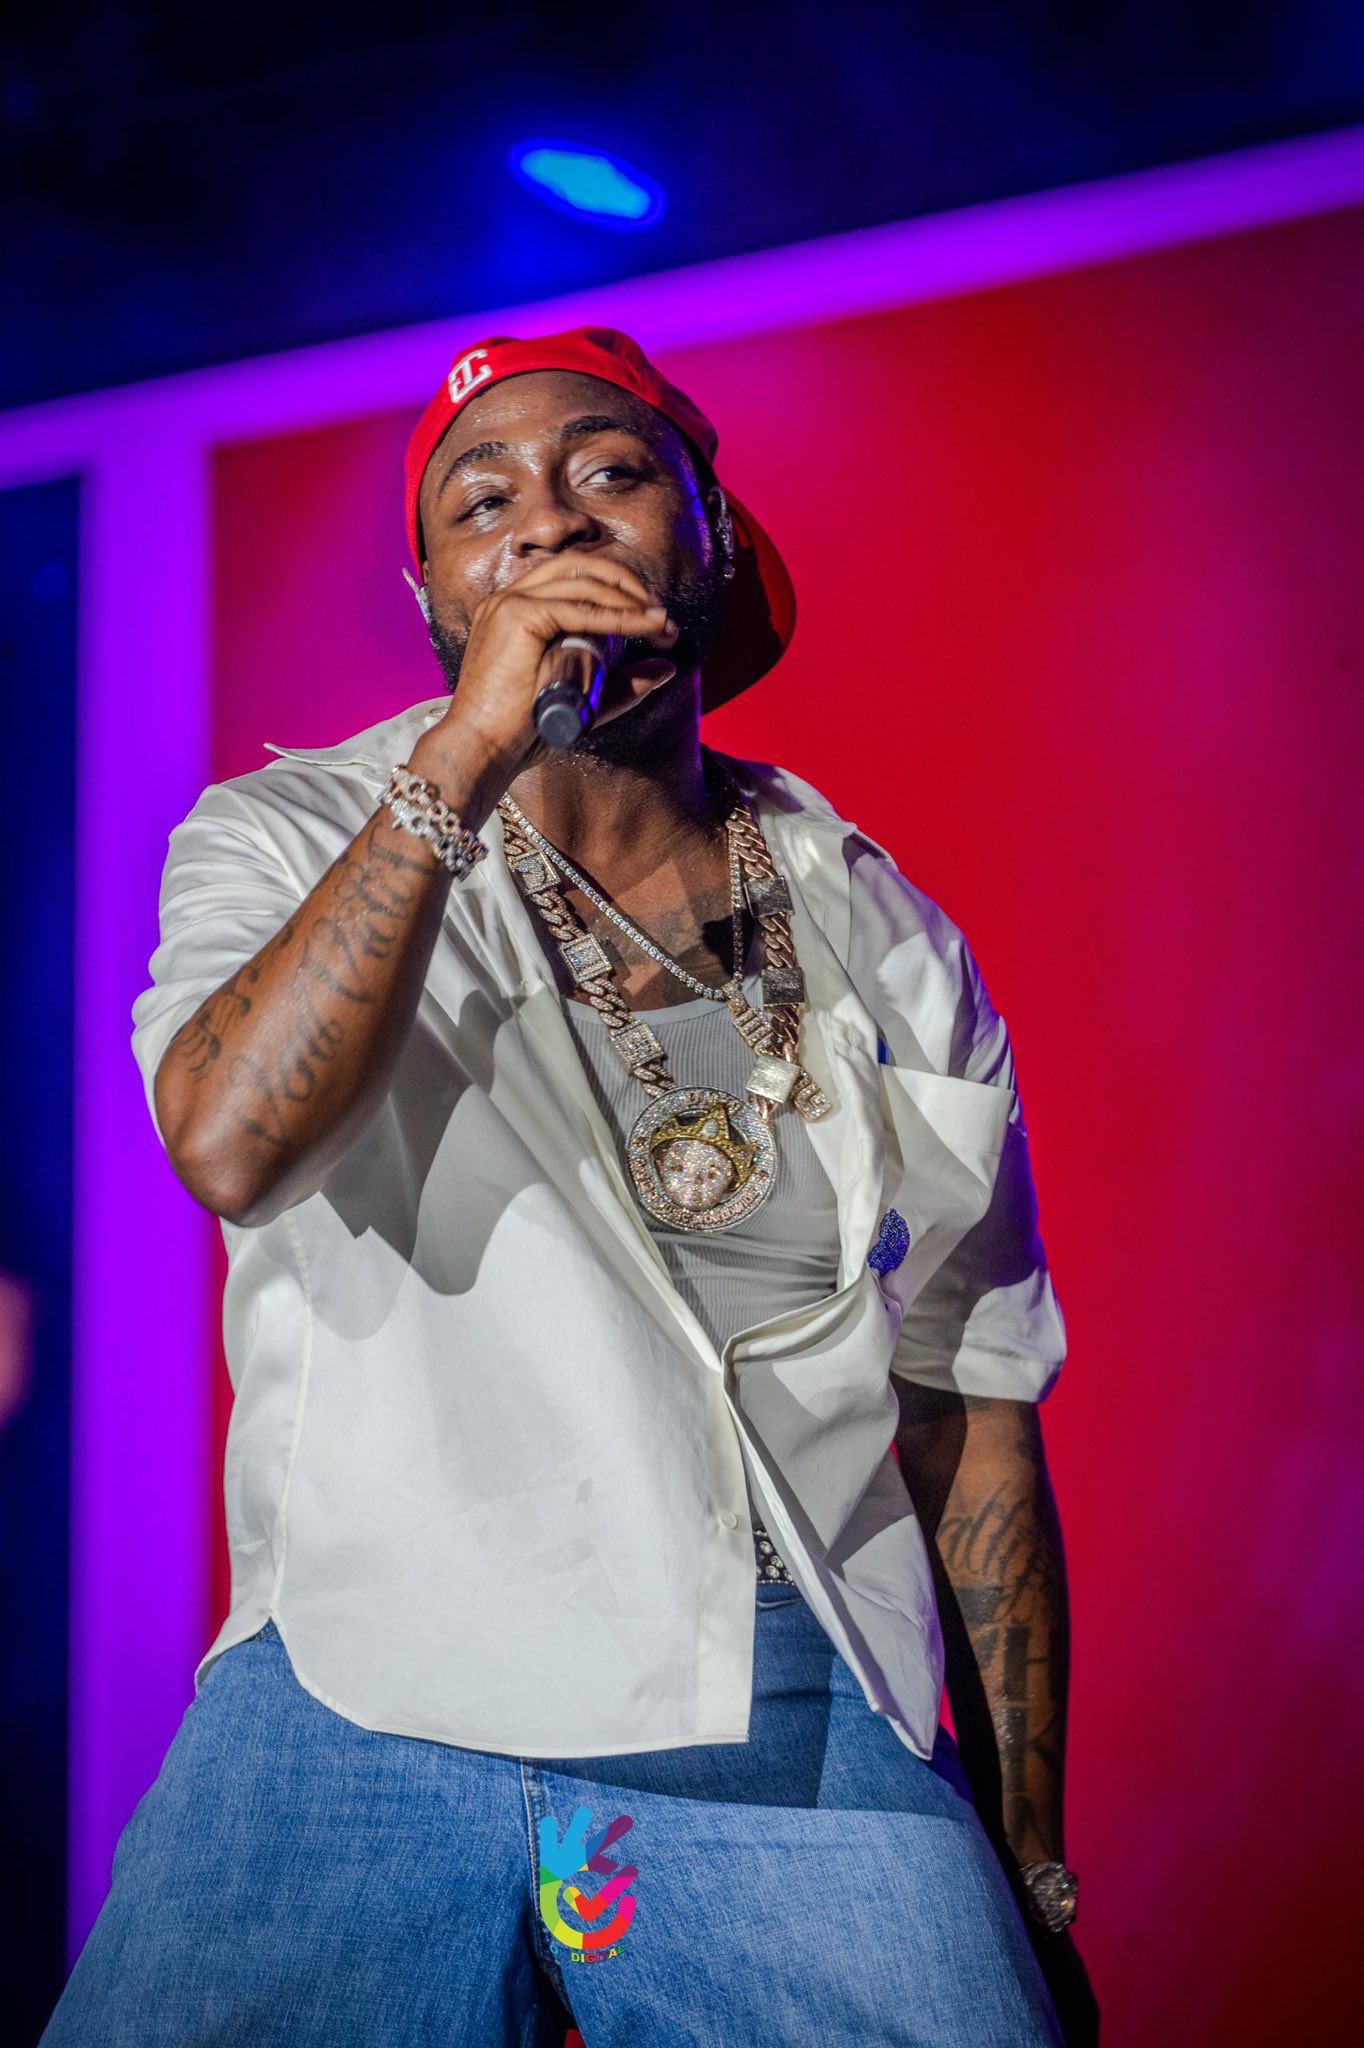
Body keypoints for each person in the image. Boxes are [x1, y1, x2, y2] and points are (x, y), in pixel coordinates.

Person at [42, 327, 1098, 2047]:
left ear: (712, 532)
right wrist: (463, 757)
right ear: (434, 601)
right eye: (483, 504)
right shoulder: (288, 832)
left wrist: (1030, 1860)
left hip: (779, 1683)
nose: (547, 521)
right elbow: (229, 1143)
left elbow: (967, 1408)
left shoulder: (887, 934)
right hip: (361, 1674)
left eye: (610, 472)